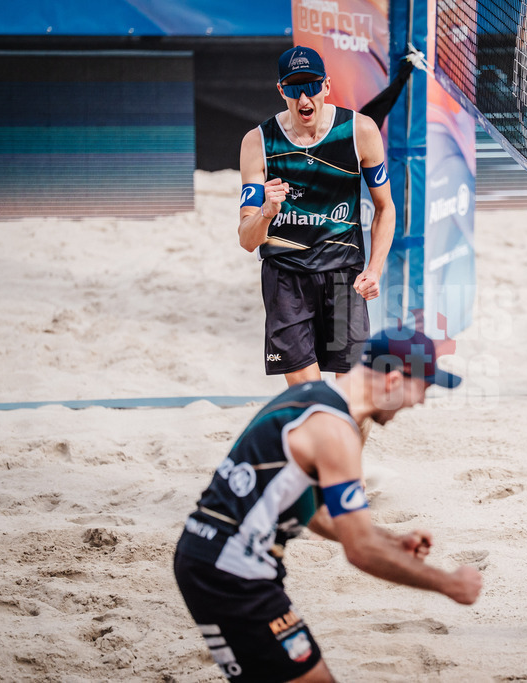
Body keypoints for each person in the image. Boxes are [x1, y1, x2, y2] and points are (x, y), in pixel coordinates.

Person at [174, 327, 483, 683]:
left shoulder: (314, 396)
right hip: (231, 573)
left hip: (208, 559)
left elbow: (315, 513)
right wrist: (448, 584)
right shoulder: (334, 430)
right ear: (394, 380)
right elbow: (360, 552)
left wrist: (387, 540)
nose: (422, 401)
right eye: (424, 388)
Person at [238, 46, 396, 387]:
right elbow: (246, 240)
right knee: (312, 398)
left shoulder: (359, 131)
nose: (303, 97)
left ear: (326, 86)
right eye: (294, 88)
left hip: (343, 277)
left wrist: (375, 269)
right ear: (282, 91)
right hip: (286, 280)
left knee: (355, 397)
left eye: (311, 86)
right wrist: (266, 213)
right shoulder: (258, 142)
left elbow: (385, 208)